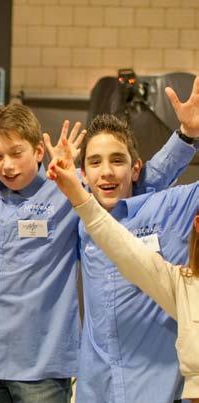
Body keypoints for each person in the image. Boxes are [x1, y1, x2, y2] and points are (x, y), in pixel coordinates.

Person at [0, 50, 193, 402]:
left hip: (41, 368)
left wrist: (185, 137)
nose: (7, 166)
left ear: (37, 151)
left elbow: (136, 180)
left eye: (16, 153)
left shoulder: (65, 187)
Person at [47, 132, 199, 403]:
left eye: (117, 160)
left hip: (160, 389)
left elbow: (152, 178)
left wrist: (187, 135)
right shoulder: (80, 221)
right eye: (95, 162)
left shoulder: (170, 208)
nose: (106, 171)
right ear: (83, 174)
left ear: (136, 168)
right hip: (97, 387)